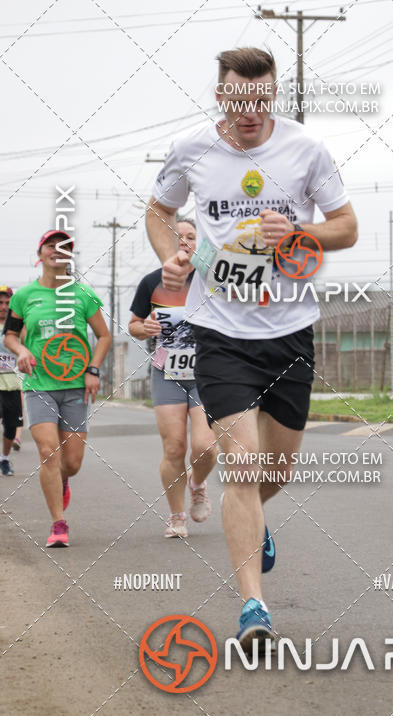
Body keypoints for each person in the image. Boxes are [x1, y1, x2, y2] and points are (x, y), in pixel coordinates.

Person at [146, 46, 357, 651]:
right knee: (242, 462)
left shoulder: (305, 150)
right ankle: (252, 607)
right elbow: (159, 210)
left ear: (273, 98)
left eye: (261, 101)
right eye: (239, 100)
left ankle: (254, 520)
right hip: (220, 333)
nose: (250, 113)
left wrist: (300, 232)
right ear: (221, 95)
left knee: (275, 470)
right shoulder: (191, 149)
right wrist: (170, 254)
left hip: (289, 330)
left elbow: (346, 226)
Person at [3, 230, 111, 547]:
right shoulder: (25, 296)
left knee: (72, 463)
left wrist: (93, 369)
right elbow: (10, 334)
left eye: (64, 247)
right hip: (39, 386)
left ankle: (63, 479)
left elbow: (103, 336)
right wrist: (22, 351)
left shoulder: (82, 295)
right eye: (52, 245)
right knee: (48, 451)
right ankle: (58, 524)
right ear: (41, 253)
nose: (58, 251)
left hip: (76, 387)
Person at [129, 217, 217, 539]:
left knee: (206, 448)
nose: (184, 242)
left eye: (191, 236)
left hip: (206, 374)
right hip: (166, 373)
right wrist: (146, 328)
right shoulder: (152, 282)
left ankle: (197, 483)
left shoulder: (211, 280)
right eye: (177, 237)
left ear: (200, 243)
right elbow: (134, 325)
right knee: (175, 447)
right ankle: (176, 515)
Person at [0, 286, 22, 476]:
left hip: (13, 384)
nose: (4, 307)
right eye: (0, 303)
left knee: (11, 427)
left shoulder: (17, 328)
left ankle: (4, 459)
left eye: (7, 303)